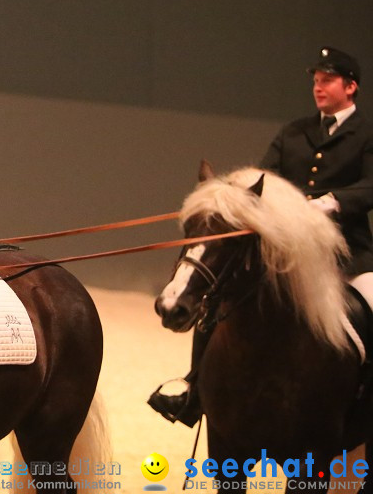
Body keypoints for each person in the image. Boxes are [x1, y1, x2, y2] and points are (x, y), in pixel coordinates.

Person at [149, 46, 373, 426]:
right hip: (289, 258)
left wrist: (332, 202)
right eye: (316, 81)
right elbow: (264, 180)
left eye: (327, 80)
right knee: (220, 301)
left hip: (349, 257)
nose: (318, 88)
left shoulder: (367, 134)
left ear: (350, 87)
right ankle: (195, 389)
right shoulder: (294, 132)